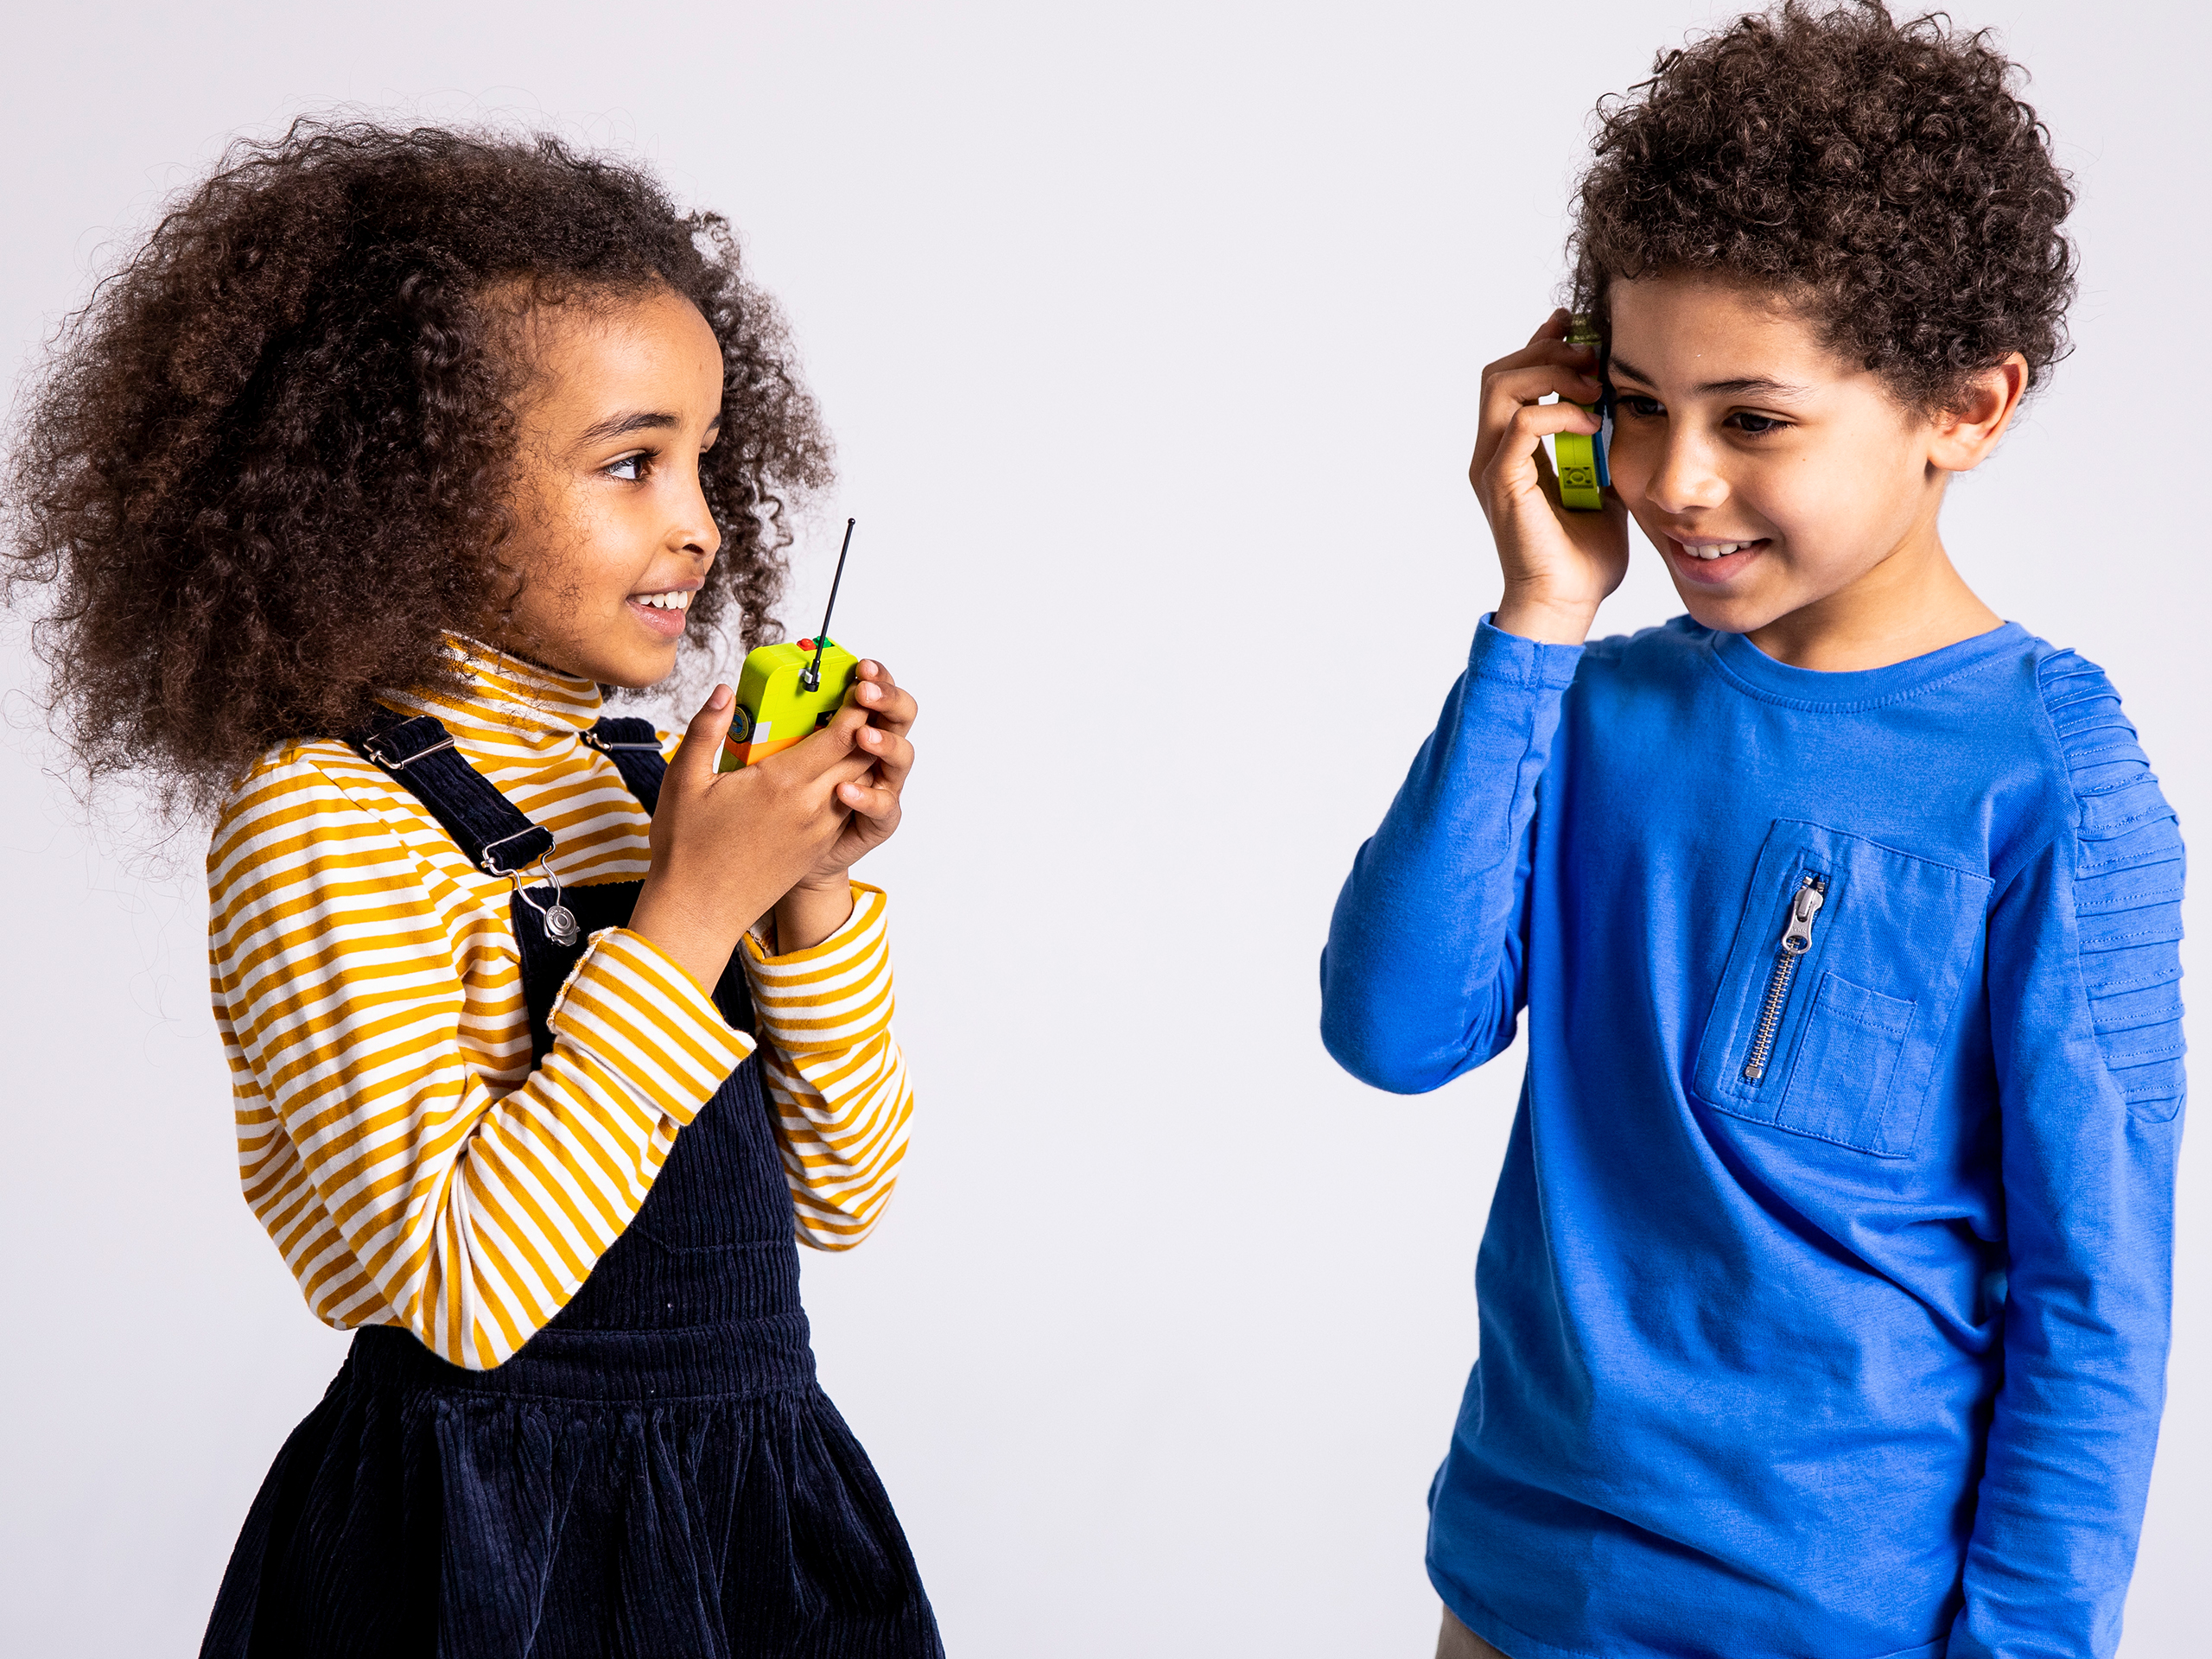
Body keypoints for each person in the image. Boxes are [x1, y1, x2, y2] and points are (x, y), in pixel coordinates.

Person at [4, 123, 942, 1656]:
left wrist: (806, 900)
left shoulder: (652, 778)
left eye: (707, 457)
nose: (698, 520)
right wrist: (693, 915)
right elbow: (463, 1290)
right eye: (633, 463)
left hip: (751, 1509)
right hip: (482, 1550)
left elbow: (842, 1199)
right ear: (413, 490)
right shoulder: (327, 811)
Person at [1319, 6, 2183, 1657]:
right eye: (1634, 404)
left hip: (1833, 1624)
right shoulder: (1588, 706)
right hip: (1514, 1587)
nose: (1674, 482)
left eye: (1755, 421)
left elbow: (2098, 1307)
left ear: (1968, 406)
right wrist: (1536, 619)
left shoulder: (2055, 781)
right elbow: (1393, 1027)